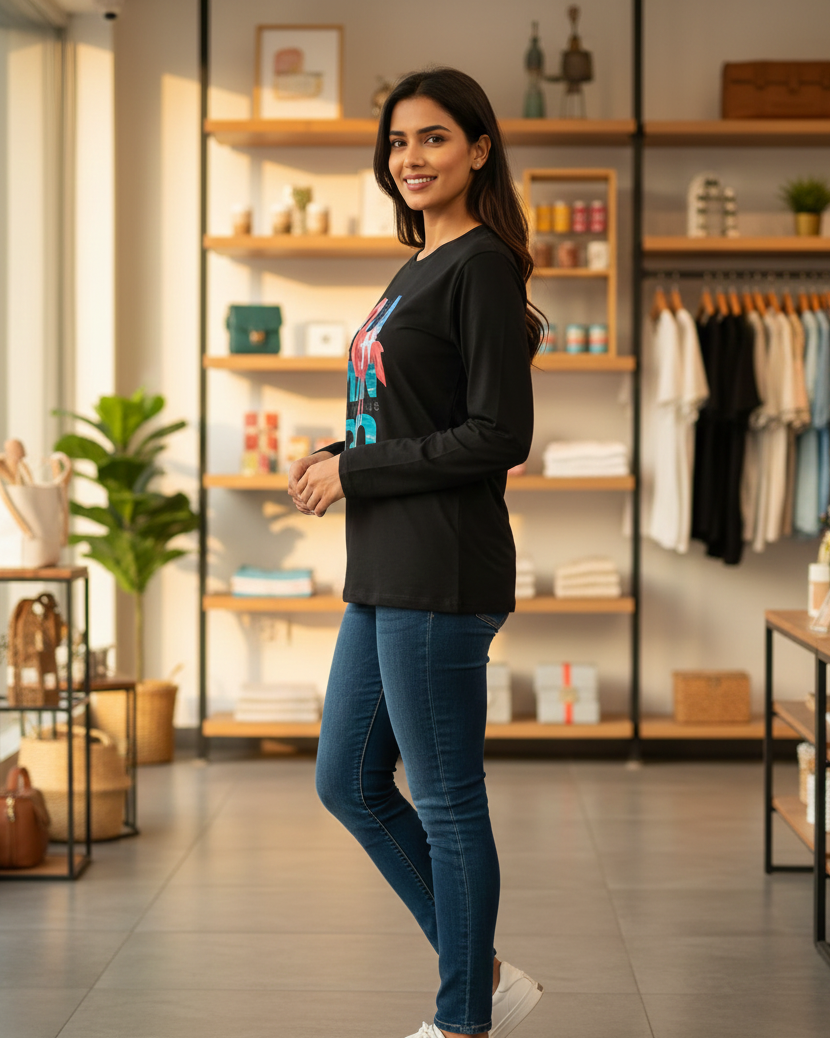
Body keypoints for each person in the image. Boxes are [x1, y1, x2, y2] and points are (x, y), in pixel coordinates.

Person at [288, 66, 544, 1038]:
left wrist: (357, 470)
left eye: (432, 138)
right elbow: (410, 415)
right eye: (398, 143)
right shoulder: (416, 267)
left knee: (441, 799)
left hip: (439, 572)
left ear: (477, 147)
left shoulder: (478, 262)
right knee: (346, 783)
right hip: (384, 565)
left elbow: (494, 435)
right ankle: (478, 976)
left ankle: (461, 1019)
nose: (410, 159)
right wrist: (341, 453)